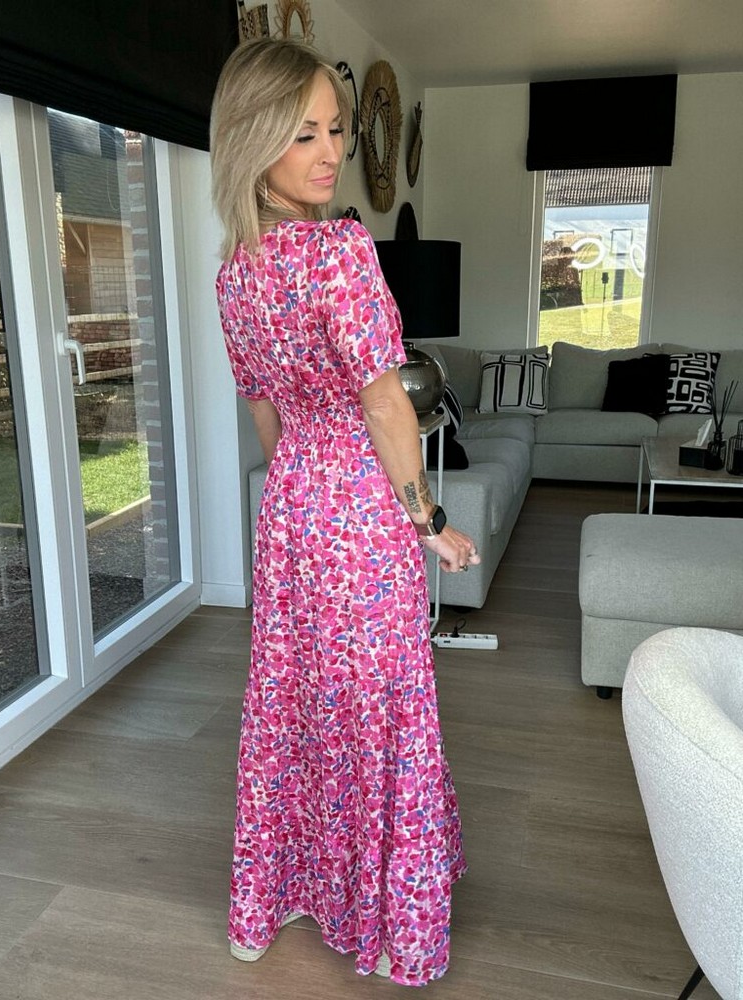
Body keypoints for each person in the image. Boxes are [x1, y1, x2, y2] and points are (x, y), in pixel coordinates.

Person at [210, 37, 480, 988]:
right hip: (362, 512)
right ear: (253, 145)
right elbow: (385, 403)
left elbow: (264, 412)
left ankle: (270, 903)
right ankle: (391, 924)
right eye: (304, 135)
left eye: (335, 129)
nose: (329, 153)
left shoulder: (234, 274)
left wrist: (299, 488)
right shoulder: (339, 252)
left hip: (291, 510)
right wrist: (427, 518)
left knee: (293, 706)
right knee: (381, 708)